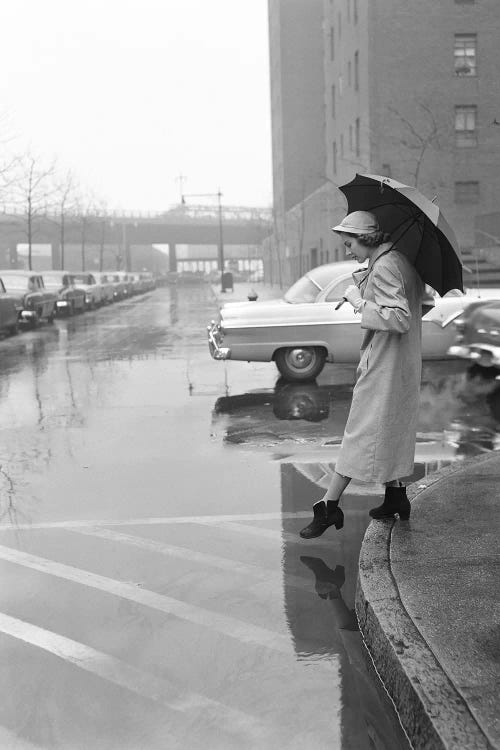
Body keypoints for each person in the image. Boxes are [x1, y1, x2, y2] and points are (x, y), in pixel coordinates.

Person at [300, 210, 426, 539]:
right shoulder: (399, 262)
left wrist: (359, 302)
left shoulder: (385, 265)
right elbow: (419, 304)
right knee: (390, 429)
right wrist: (365, 285)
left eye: (349, 243)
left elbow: (399, 319)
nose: (347, 251)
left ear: (366, 238)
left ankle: (329, 506)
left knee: (359, 434)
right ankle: (396, 496)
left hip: (383, 365)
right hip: (400, 363)